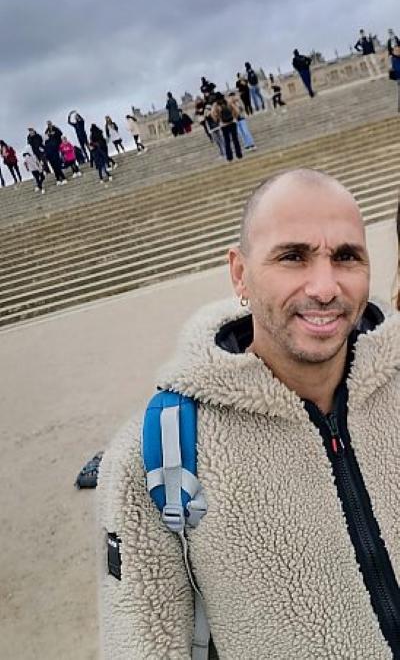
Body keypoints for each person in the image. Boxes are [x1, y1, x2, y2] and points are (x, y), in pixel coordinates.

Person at [98, 168, 400, 659]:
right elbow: (144, 642)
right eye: (293, 257)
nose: (325, 287)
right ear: (239, 273)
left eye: (346, 256)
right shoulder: (158, 452)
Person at [214, 93, 242, 162]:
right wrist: (235, 117)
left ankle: (229, 157)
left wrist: (219, 121)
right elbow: (236, 110)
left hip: (224, 125)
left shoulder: (215, 105)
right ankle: (239, 154)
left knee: (227, 141)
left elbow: (214, 115)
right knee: (235, 139)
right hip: (232, 122)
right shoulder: (228, 102)